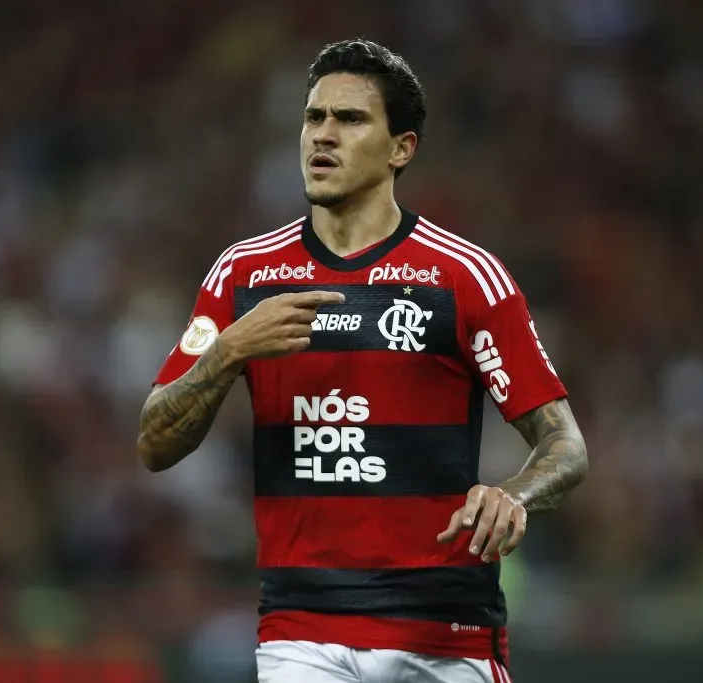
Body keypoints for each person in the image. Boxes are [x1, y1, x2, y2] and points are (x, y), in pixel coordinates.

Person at [138, 38, 588, 683]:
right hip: (303, 631)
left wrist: (513, 494)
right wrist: (231, 349)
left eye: (350, 120)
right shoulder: (244, 276)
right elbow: (155, 442)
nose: (323, 135)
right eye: (313, 117)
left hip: (444, 631)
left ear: (401, 148)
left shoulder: (463, 276)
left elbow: (565, 444)